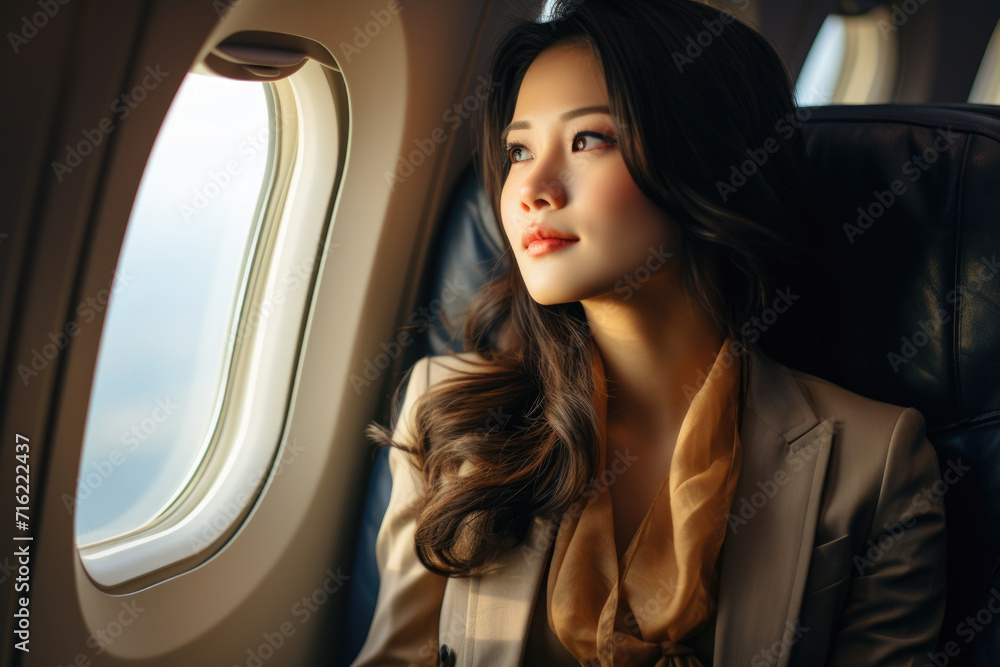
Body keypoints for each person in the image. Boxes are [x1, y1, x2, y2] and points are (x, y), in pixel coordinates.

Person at [352, 0, 946, 665]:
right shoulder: (448, 410)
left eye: (588, 139)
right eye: (519, 150)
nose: (531, 189)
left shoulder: (878, 461)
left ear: (704, 156)